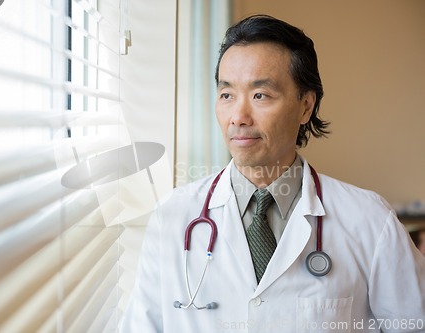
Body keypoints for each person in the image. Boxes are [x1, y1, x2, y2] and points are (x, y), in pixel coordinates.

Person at [120, 15, 425, 332]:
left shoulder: (369, 221)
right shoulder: (174, 216)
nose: (238, 116)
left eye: (259, 95)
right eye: (227, 94)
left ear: (305, 106)